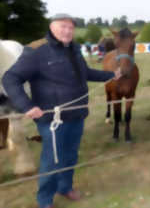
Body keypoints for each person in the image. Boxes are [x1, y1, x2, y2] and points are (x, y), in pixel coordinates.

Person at [2, 13, 121, 208]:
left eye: (70, 28)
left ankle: (65, 187)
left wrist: (110, 75)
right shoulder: (36, 52)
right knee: (52, 160)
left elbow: (86, 73)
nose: (67, 31)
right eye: (62, 27)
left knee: (71, 155)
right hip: (52, 119)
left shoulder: (74, 49)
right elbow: (10, 78)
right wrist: (27, 106)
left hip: (77, 114)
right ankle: (45, 200)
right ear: (51, 27)